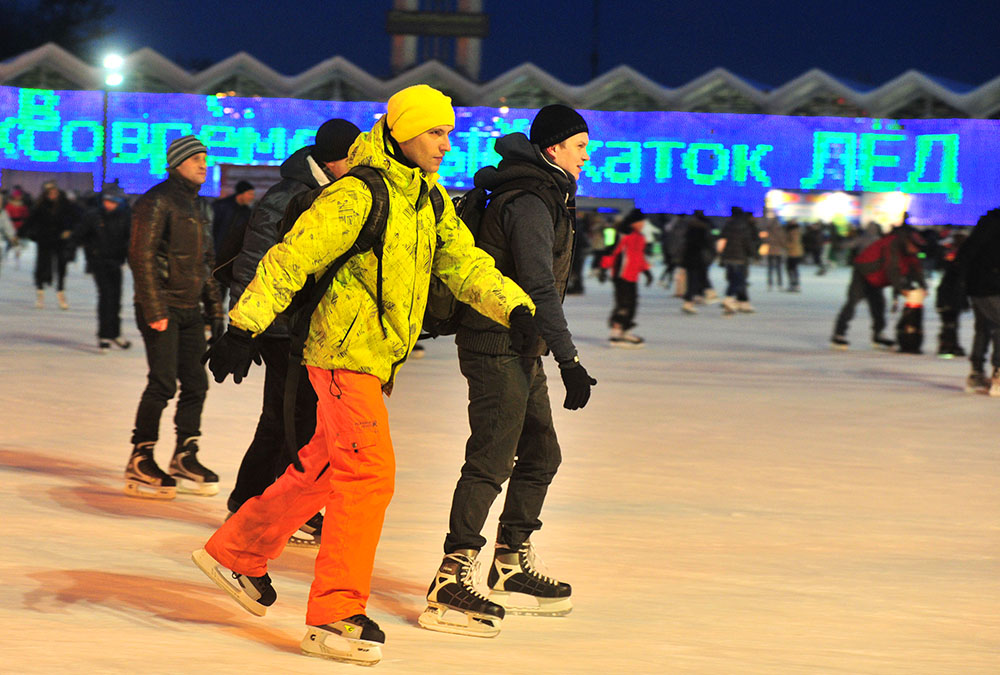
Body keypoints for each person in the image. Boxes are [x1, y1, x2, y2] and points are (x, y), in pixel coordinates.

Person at [192, 84, 538, 666]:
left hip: (376, 360)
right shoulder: (360, 192)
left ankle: (238, 552)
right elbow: (291, 256)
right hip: (341, 355)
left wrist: (515, 307)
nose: (445, 143)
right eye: (435, 131)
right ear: (403, 131)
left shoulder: (428, 200)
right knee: (369, 475)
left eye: (449, 132)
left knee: (324, 469)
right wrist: (243, 326)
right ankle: (335, 613)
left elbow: (464, 263)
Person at [419, 104, 597, 638]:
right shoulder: (529, 202)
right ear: (553, 149)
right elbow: (540, 285)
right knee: (492, 456)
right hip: (495, 343)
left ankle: (509, 563)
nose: (587, 156)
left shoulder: (548, 195)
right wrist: (570, 358)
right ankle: (451, 574)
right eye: (580, 146)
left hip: (521, 345)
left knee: (541, 451)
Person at [225, 118, 361, 547]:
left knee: (291, 419)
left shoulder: (327, 192)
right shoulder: (290, 195)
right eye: (353, 159)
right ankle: (263, 503)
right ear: (335, 158)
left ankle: (255, 499)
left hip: (306, 326)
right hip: (283, 328)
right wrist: (246, 329)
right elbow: (255, 260)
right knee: (292, 421)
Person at [125, 135, 225, 500]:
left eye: (205, 157)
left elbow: (206, 263)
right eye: (196, 158)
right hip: (162, 307)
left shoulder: (200, 207)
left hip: (191, 310)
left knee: (196, 385)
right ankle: (141, 456)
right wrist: (154, 309)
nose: (203, 163)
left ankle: (185, 455)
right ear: (177, 163)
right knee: (163, 384)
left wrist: (216, 313)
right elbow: (142, 256)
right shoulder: (156, 201)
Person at [830, 223, 926, 350]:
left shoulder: (910, 252)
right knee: (852, 302)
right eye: (915, 248)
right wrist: (900, 288)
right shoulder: (893, 244)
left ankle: (878, 335)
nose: (916, 251)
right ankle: (839, 334)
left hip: (877, 278)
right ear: (909, 243)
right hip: (863, 273)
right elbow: (892, 268)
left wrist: (923, 286)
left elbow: (916, 269)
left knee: (879, 306)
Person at [74, 183, 132, 352]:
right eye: (107, 200)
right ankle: (104, 336)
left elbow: (130, 240)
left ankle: (115, 333)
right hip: (99, 263)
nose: (109, 204)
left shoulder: (125, 217)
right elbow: (79, 234)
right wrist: (75, 249)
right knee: (106, 298)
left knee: (116, 298)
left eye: (113, 201)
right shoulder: (94, 216)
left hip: (116, 262)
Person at [954, 209, 1000, 394]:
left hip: (978, 284)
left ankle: (976, 374)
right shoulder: (995, 224)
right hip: (989, 284)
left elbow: (968, 252)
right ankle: (997, 374)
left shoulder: (988, 222)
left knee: (983, 327)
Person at [22, 180, 79, 309]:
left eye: (55, 192)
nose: (53, 195)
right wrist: (23, 234)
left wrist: (69, 231)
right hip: (44, 240)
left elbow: (76, 218)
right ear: (46, 193)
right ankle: (40, 292)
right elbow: (30, 221)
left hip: (60, 240)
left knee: (61, 266)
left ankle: (61, 292)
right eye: (50, 192)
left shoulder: (65, 205)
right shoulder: (40, 206)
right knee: (42, 266)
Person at [602, 208, 652, 344]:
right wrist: (603, 268)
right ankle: (616, 330)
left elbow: (639, 256)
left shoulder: (640, 237)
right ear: (633, 222)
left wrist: (647, 271)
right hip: (621, 275)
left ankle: (625, 330)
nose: (642, 224)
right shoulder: (624, 235)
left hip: (632, 275)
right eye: (640, 222)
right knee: (623, 303)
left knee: (632, 304)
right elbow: (612, 251)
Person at [211, 180, 255, 310]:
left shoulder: (247, 213)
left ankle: (216, 315)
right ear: (241, 194)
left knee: (222, 285)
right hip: (213, 253)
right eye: (250, 193)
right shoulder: (221, 207)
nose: (252, 197)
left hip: (227, 257)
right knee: (210, 286)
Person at [716, 206, 758, 314]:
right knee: (739, 280)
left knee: (735, 279)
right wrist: (755, 254)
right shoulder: (743, 226)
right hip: (740, 258)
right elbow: (747, 242)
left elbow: (721, 240)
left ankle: (743, 302)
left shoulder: (728, 225)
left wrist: (721, 255)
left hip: (728, 257)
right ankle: (729, 299)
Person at [679, 210, 715, 314]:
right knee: (697, 279)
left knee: (692, 279)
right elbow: (709, 243)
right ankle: (693, 299)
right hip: (699, 258)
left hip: (688, 257)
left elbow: (683, 241)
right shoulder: (704, 227)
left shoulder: (688, 225)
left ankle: (693, 299)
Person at [784, 220, 804, 292]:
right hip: (794, 252)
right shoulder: (795, 231)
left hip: (793, 253)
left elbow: (793, 243)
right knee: (792, 269)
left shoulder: (794, 232)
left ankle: (794, 284)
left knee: (792, 269)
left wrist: (786, 245)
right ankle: (794, 284)